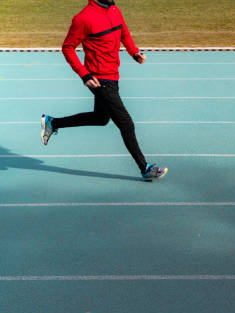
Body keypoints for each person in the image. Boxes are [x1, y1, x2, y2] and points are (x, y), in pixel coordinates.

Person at [40, 0, 167, 180]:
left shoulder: (114, 10)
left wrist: (134, 52)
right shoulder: (83, 19)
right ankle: (145, 168)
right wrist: (84, 74)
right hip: (99, 80)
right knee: (126, 123)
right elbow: (67, 48)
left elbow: (124, 32)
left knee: (101, 118)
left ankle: (52, 123)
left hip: (113, 75)